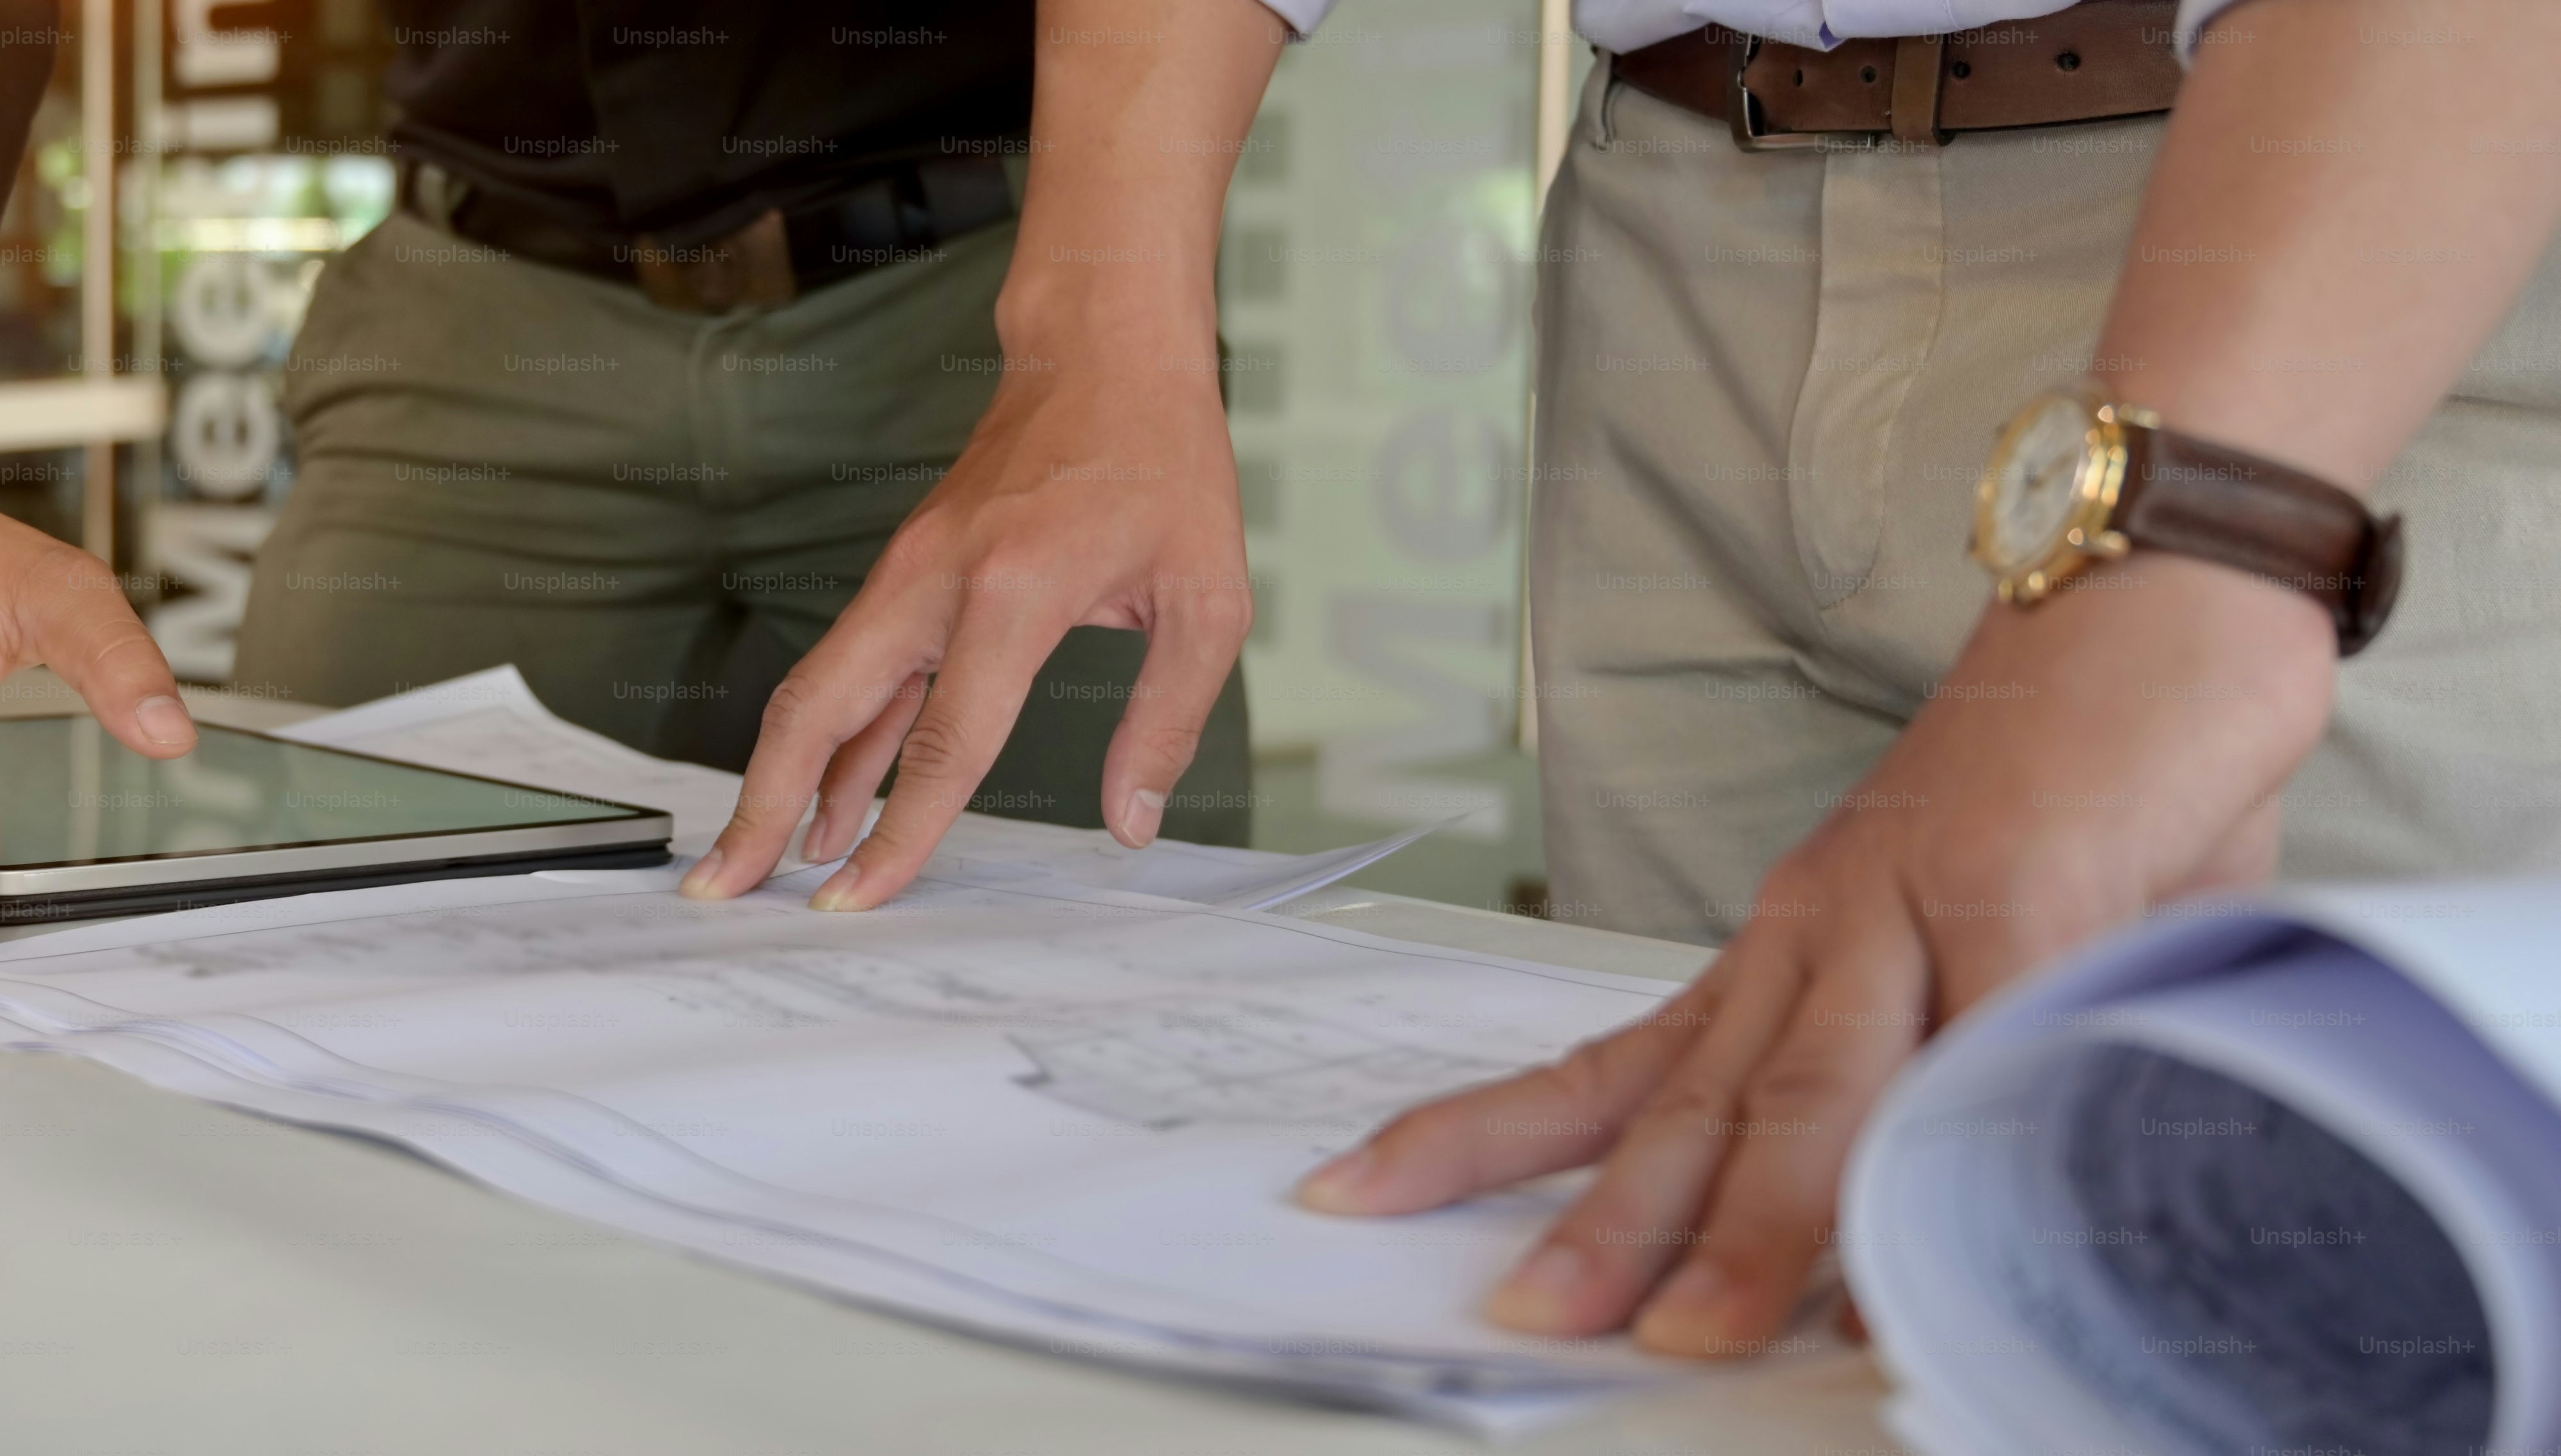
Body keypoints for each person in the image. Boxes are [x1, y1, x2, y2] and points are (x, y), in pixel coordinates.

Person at [707, 0, 2561, 1362]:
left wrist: (2200, 524)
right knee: (1696, 1314)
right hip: (1677, 200)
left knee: (2321, 1287)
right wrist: (1100, 328)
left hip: (2314, 220)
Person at [0, 0, 1264, 974]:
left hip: (995, 304)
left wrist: (1111, 322)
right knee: (290, 995)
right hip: (480, 303)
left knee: (1068, 1001)